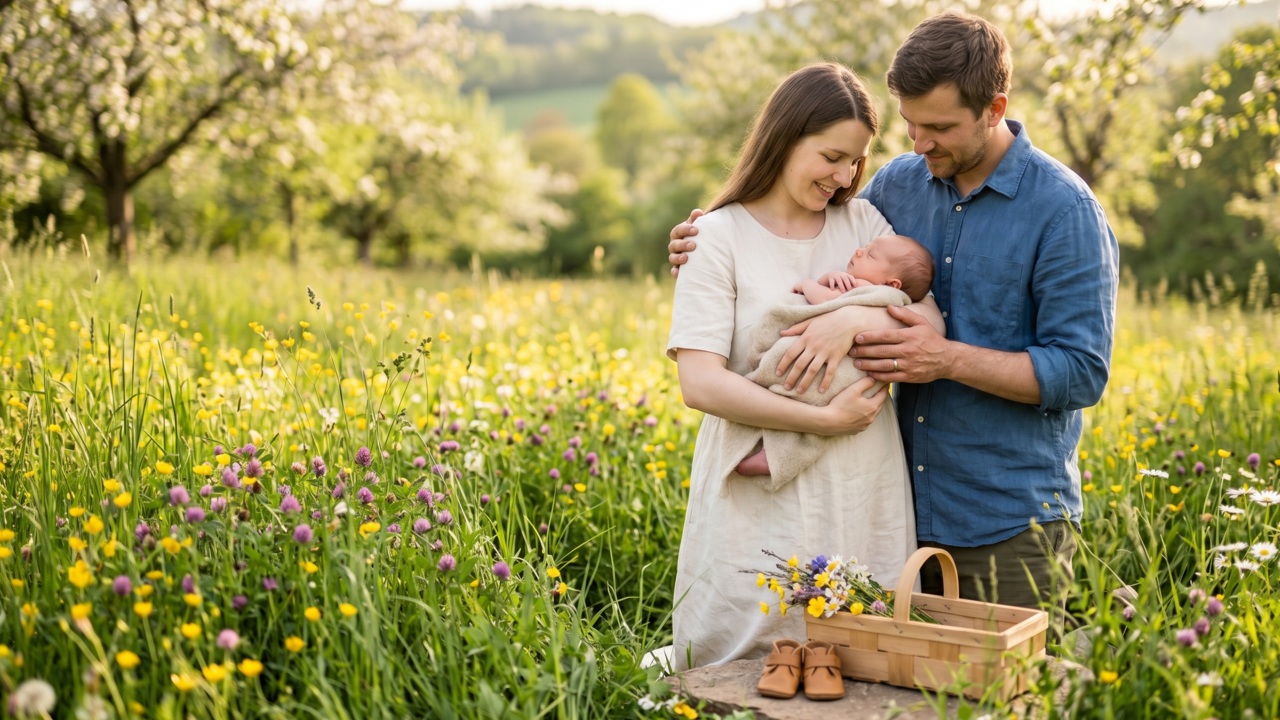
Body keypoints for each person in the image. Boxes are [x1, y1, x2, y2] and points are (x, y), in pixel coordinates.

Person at [668, 11, 1119, 622]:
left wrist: (943, 358)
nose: (919, 143)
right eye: (909, 124)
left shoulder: (1064, 212)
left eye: (938, 126)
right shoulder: (897, 188)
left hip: (1006, 516)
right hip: (897, 508)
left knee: (1001, 702)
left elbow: (1081, 374)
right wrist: (705, 242)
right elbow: (814, 243)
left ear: (994, 108)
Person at [664, 62, 946, 671]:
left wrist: (850, 319)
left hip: (859, 481)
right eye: (831, 157)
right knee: (740, 667)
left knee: (865, 660)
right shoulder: (715, 236)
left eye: (856, 163)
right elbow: (699, 382)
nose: (844, 177)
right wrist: (820, 421)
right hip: (758, 479)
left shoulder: (863, 225)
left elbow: (930, 324)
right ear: (786, 138)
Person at [736, 234, 936, 477]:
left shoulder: (878, 294)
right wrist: (830, 278)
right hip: (838, 364)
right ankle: (777, 453)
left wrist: (809, 284)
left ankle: (777, 455)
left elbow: (826, 300)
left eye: (871, 254)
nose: (860, 251)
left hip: (842, 371)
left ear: (892, 285)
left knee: (807, 398)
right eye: (865, 247)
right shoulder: (862, 287)